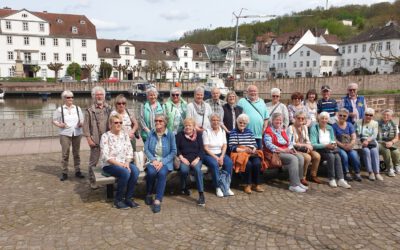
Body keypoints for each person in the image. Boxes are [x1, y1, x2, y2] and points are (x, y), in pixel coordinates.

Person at [99, 114, 140, 209]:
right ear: (110, 124)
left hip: (124, 163)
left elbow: (130, 151)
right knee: (125, 173)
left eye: (120, 122)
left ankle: (129, 198)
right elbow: (106, 156)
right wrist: (121, 165)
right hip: (110, 164)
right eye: (116, 122)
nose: (118, 124)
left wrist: (127, 162)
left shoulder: (124, 135)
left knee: (135, 171)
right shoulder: (105, 136)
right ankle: (118, 200)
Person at [264, 113, 308, 192]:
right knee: (293, 159)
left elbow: (289, 142)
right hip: (275, 153)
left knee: (300, 157)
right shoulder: (268, 131)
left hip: (285, 150)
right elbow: (269, 145)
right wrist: (284, 150)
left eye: (280, 120)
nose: (279, 121)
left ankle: (299, 181)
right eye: (277, 120)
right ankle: (294, 185)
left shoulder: (282, 130)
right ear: (272, 121)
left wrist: (291, 148)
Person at [144, 114, 177, 213]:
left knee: (162, 173)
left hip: (165, 161)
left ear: (165, 123)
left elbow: (173, 151)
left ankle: (158, 200)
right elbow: (146, 148)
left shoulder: (170, 134)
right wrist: (153, 160)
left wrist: (162, 162)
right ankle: (149, 194)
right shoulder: (151, 133)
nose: (157, 122)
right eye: (156, 120)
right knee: (151, 173)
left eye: (160, 121)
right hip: (152, 160)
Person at [310, 112, 352, 188]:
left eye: (326, 119)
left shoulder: (330, 127)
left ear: (328, 120)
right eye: (322, 118)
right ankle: (331, 179)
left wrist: (333, 145)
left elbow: (333, 140)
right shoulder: (314, 127)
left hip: (330, 149)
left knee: (337, 156)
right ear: (318, 119)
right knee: (331, 156)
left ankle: (341, 179)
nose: (324, 120)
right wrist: (326, 145)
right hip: (320, 149)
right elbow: (313, 144)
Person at [229, 114, 266, 194]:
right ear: (237, 122)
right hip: (240, 154)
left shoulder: (249, 131)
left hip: (250, 153)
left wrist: (253, 150)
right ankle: (247, 184)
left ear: (247, 124)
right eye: (240, 122)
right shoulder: (233, 132)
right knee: (248, 164)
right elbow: (232, 147)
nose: (242, 124)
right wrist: (244, 150)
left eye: (244, 123)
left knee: (257, 163)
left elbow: (255, 144)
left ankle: (256, 184)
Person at [52, 90, 85, 181]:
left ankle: (77, 170)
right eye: (68, 97)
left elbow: (82, 119)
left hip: (77, 133)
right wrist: (60, 125)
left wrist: (81, 123)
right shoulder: (60, 109)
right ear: (64, 99)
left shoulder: (77, 108)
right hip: (65, 133)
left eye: (72, 97)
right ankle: (64, 172)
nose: (70, 99)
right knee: (65, 154)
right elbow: (54, 120)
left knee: (76, 153)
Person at [83, 86, 112, 189]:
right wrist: (89, 139)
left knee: (108, 160)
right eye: (97, 95)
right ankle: (92, 180)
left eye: (101, 94)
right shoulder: (89, 110)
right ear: (93, 96)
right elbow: (85, 126)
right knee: (93, 161)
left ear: (104, 96)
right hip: (95, 139)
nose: (99, 96)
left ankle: (109, 180)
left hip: (107, 139)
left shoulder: (109, 108)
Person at [175, 118, 206, 206]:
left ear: (193, 127)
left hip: (196, 158)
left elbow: (201, 149)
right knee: (184, 170)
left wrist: (198, 159)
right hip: (184, 158)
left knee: (197, 170)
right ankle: (184, 187)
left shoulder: (198, 135)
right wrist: (181, 158)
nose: (188, 127)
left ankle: (201, 194)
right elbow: (176, 148)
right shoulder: (179, 135)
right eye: (186, 125)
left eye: (190, 125)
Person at [203, 113, 234, 197]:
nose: (215, 122)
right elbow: (205, 148)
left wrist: (222, 156)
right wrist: (216, 158)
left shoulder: (222, 130)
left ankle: (226, 186)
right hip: (209, 154)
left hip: (220, 153)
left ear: (220, 121)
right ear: (210, 121)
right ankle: (218, 187)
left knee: (229, 163)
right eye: (213, 120)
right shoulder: (206, 131)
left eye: (217, 120)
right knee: (214, 164)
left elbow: (224, 145)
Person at [287, 111, 322, 185]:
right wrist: (305, 145)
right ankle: (303, 177)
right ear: (295, 118)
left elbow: (307, 140)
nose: (300, 120)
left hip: (305, 148)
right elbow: (291, 143)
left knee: (317, 156)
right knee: (307, 157)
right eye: (298, 118)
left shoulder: (305, 127)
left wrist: (309, 146)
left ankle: (313, 175)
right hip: (295, 149)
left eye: (302, 118)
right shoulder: (290, 128)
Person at [332, 108, 362, 182]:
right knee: (344, 155)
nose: (342, 117)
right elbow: (333, 139)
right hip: (339, 146)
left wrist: (351, 144)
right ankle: (346, 172)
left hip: (349, 146)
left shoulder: (349, 125)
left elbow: (353, 136)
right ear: (338, 116)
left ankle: (357, 172)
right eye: (340, 115)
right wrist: (342, 146)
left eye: (344, 116)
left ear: (347, 116)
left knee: (354, 155)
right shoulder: (334, 126)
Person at [237, 85, 269, 149]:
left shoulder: (262, 101)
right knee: (246, 154)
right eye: (251, 91)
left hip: (259, 134)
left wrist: (264, 128)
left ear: (257, 92)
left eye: (255, 91)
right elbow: (237, 117)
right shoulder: (241, 101)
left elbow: (266, 117)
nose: (253, 93)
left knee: (259, 153)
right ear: (247, 92)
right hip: (245, 135)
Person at [355, 108, 382, 181]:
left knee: (374, 151)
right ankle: (370, 172)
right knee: (366, 151)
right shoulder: (358, 122)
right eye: (367, 115)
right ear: (364, 115)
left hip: (371, 141)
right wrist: (359, 141)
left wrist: (367, 140)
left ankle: (377, 172)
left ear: (373, 116)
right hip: (361, 142)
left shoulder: (375, 123)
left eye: (370, 115)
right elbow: (354, 133)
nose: (368, 116)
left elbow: (374, 135)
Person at [378, 109, 400, 177]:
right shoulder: (377, 123)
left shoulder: (394, 125)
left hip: (390, 143)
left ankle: (397, 166)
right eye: (384, 115)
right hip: (379, 143)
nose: (386, 116)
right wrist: (384, 143)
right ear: (382, 116)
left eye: (388, 115)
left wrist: (391, 142)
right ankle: (390, 168)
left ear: (391, 117)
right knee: (386, 150)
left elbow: (397, 138)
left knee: (396, 152)